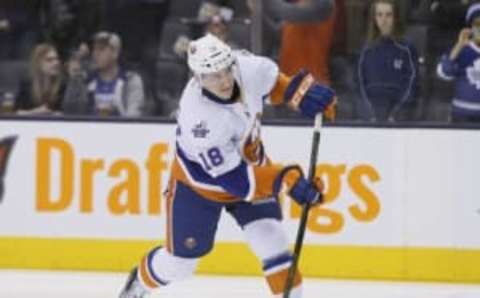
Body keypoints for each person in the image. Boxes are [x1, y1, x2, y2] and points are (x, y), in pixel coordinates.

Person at [118, 34, 336, 298]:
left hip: (250, 167)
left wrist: (302, 96)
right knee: (181, 265)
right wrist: (288, 180)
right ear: (198, 78)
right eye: (212, 76)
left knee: (273, 242)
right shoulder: (199, 118)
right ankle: (139, 282)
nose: (223, 80)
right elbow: (237, 182)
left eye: (225, 70)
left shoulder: (247, 67)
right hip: (199, 188)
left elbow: (276, 86)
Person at [358, 0, 418, 122]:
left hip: (399, 120)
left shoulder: (406, 49)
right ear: (374, 18)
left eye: (388, 15)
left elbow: (413, 85)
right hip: (370, 119)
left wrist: (397, 115)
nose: (383, 20)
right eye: (379, 15)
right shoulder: (366, 50)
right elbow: (358, 84)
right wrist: (368, 115)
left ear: (395, 17)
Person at [63, 31, 145, 116]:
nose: (96, 54)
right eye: (94, 49)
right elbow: (71, 114)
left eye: (101, 49)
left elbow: (133, 117)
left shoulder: (130, 80)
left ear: (115, 53)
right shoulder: (83, 80)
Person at [436, 3, 480, 122]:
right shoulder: (461, 49)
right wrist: (459, 46)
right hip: (461, 115)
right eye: (477, 24)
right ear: (470, 28)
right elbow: (444, 72)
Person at [14, 43, 65, 115]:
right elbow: (17, 112)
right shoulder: (27, 83)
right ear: (38, 63)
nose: (56, 63)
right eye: (49, 60)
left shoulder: (63, 84)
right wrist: (35, 112)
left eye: (56, 59)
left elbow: (67, 112)